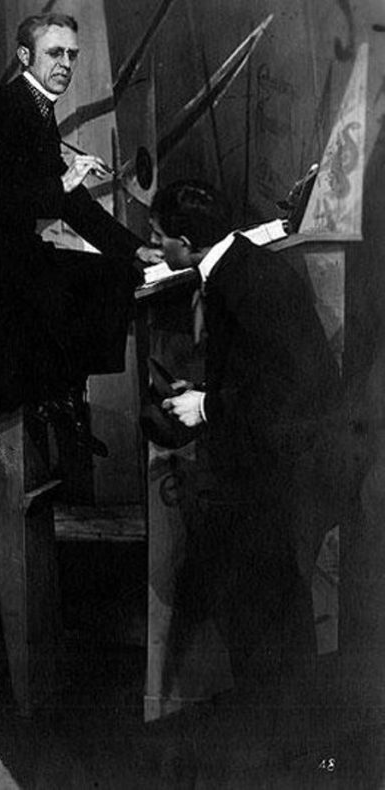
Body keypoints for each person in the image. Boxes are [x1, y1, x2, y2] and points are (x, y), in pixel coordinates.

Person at [154, 180, 343, 754]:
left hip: (274, 471)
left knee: (266, 607)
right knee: (268, 602)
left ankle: (285, 745)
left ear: (186, 243)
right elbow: (261, 367)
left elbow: (301, 385)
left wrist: (208, 406)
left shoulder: (241, 282)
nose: (157, 248)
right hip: (265, 463)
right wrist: (205, 392)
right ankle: (284, 734)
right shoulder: (237, 265)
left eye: (160, 238)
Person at [0, 11, 163, 449]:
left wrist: (135, 249)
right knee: (90, 285)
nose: (65, 64)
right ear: (25, 56)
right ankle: (55, 396)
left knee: (117, 274)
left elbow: (71, 204)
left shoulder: (36, 108)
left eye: (72, 55)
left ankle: (61, 394)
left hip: (12, 256)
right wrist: (62, 183)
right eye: (54, 53)